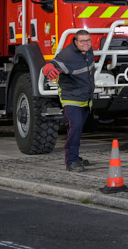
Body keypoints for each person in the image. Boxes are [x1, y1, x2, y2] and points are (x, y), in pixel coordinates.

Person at [41, 30, 95, 172]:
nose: (86, 43)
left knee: (78, 129)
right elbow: (51, 64)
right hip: (71, 99)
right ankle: (71, 161)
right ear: (75, 42)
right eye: (82, 41)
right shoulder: (67, 55)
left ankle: (75, 157)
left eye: (88, 40)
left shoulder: (89, 52)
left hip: (85, 98)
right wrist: (48, 69)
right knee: (75, 127)